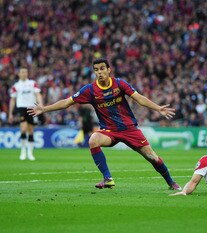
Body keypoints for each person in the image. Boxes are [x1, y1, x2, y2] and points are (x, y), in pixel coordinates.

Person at [28, 58, 181, 190]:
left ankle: (171, 181)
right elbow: (66, 102)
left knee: (152, 157)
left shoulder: (119, 84)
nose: (99, 72)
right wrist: (44, 108)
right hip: (109, 131)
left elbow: (139, 99)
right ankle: (108, 178)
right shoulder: (90, 90)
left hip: (129, 129)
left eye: (102, 69)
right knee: (93, 140)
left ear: (109, 70)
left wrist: (158, 108)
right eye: (96, 70)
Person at [8, 66, 43, 160]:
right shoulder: (16, 86)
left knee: (31, 130)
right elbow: (12, 100)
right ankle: (23, 151)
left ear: (27, 73)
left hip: (31, 108)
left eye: (25, 72)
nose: (24, 73)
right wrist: (10, 113)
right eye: (22, 72)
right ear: (19, 74)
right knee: (23, 128)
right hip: (21, 108)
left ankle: (30, 153)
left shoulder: (32, 83)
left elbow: (38, 94)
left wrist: (41, 105)